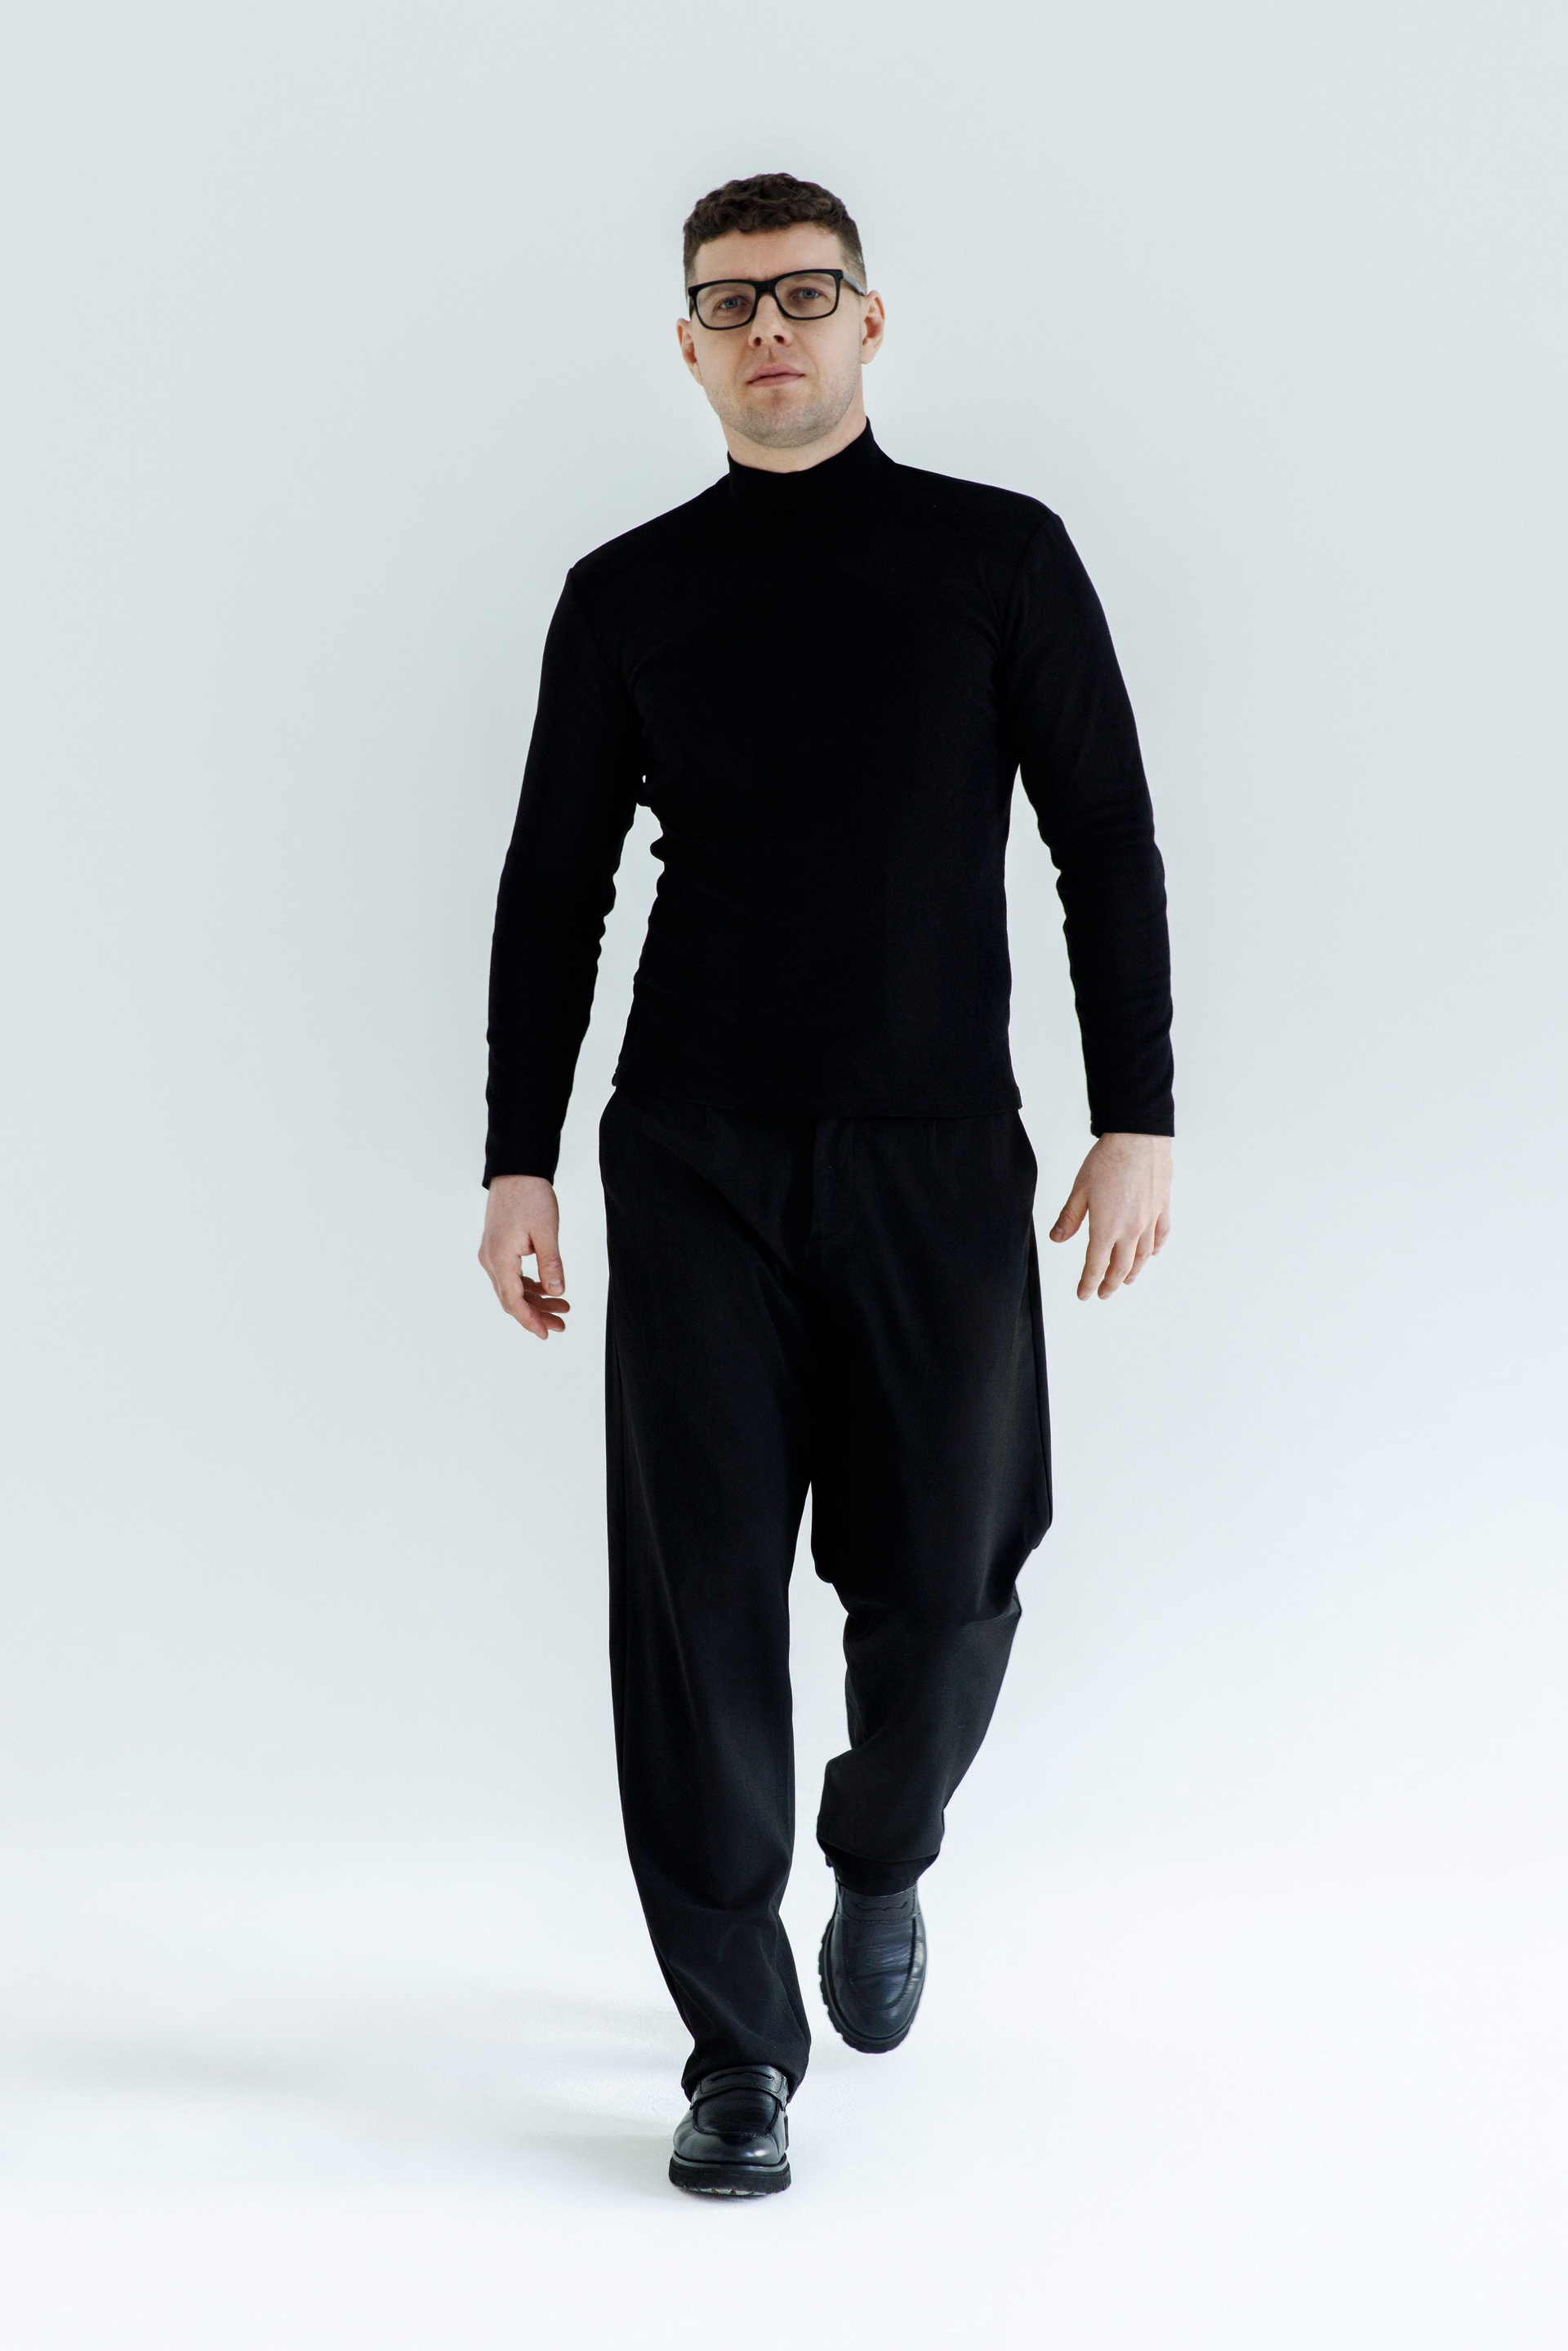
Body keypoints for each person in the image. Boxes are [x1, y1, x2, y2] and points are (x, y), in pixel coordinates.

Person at [479, 171, 1174, 2197]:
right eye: (731, 304)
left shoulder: (998, 555)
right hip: (692, 1154)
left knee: (950, 1583)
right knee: (696, 1611)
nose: (769, 329)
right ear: (687, 347)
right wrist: (519, 1159)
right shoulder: (628, 593)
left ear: (872, 319)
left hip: (938, 1152)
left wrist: (1136, 1112)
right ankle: (736, 2051)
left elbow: (1106, 836)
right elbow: (553, 884)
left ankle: (882, 1846)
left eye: (805, 293)